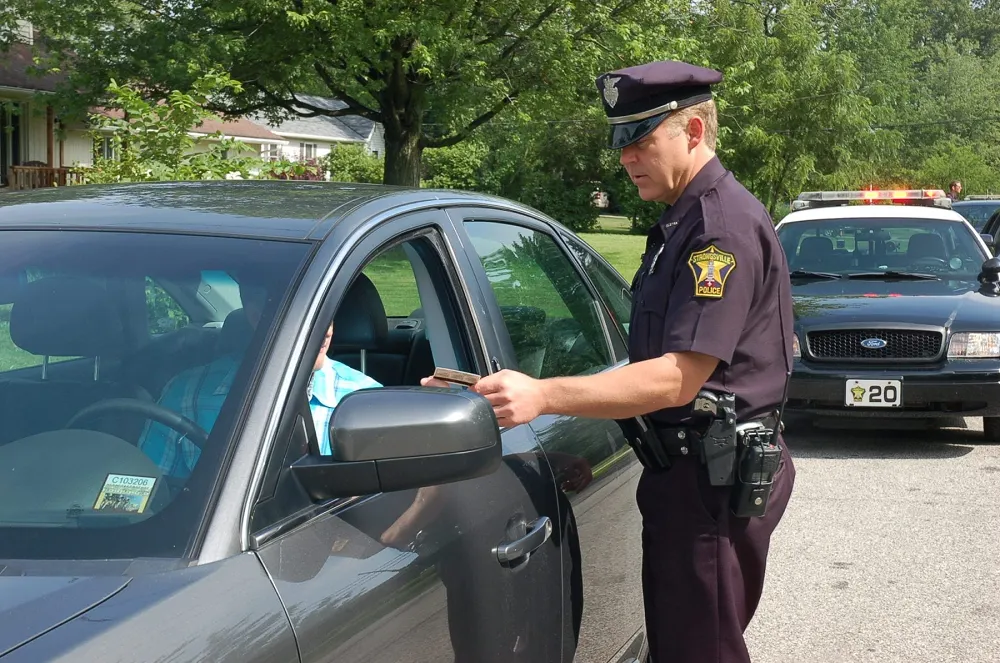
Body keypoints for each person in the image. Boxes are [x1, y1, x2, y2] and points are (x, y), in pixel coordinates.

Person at [423, 60, 796, 663]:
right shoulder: (685, 220)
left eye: (641, 140)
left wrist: (543, 395)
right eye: (622, 143)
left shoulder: (718, 231)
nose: (626, 158)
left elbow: (678, 377)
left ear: (692, 131)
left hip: (712, 483)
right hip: (692, 474)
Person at [139, 281, 381, 478]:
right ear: (256, 316)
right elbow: (150, 491)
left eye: (328, 312)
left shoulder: (364, 401)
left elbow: (375, 506)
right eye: (310, 313)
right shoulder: (187, 394)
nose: (327, 330)